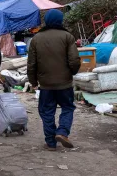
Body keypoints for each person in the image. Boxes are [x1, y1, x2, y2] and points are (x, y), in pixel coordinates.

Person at [27, 9, 81, 151]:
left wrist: (33, 82)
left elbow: (31, 64)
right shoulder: (67, 37)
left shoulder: (36, 39)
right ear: (60, 20)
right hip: (65, 84)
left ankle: (51, 142)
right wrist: (71, 73)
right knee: (68, 107)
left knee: (46, 111)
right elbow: (74, 60)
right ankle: (62, 132)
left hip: (45, 85)